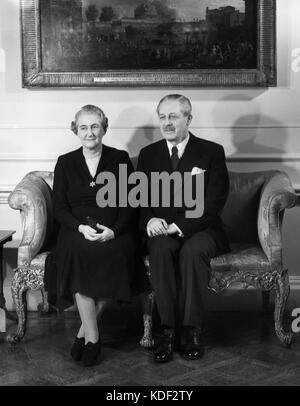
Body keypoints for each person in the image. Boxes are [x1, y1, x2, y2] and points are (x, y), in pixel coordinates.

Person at [45, 104, 144, 367]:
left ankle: (83, 333)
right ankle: (93, 337)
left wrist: (114, 231)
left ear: (104, 128)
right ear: (75, 130)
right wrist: (80, 227)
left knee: (118, 254)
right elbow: (60, 207)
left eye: (95, 127)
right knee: (79, 252)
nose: (90, 133)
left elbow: (131, 202)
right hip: (77, 230)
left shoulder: (120, 158)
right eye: (84, 127)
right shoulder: (65, 162)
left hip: (115, 230)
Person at [137, 94, 230, 363]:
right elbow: (140, 197)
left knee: (193, 251)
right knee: (160, 249)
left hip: (202, 229)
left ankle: (192, 330)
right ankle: (166, 330)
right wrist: (150, 220)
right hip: (161, 230)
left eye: (174, 116)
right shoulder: (148, 154)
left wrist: (180, 225)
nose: (167, 123)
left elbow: (214, 201)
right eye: (163, 117)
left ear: (188, 119)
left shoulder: (211, 152)